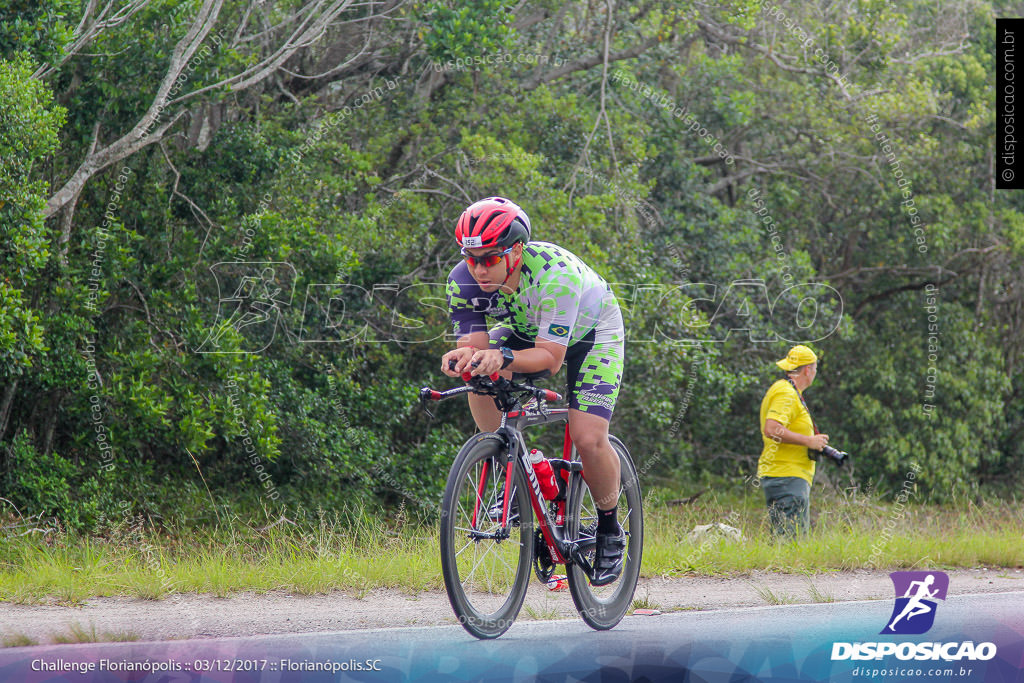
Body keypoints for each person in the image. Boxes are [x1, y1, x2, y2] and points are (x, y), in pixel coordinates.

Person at [440, 197, 627, 585]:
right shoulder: (462, 280)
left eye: (490, 258)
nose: (478, 268)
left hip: (593, 335)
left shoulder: (555, 277)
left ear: (517, 251)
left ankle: (610, 528)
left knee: (588, 438)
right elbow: (476, 345)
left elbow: (550, 359)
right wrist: (465, 356)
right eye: (471, 258)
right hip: (529, 330)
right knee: (478, 371)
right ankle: (506, 461)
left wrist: (503, 357)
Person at [757, 344, 829, 538]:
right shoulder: (786, 393)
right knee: (789, 543)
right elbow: (772, 428)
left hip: (788, 476)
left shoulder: (789, 392)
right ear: (808, 370)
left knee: (790, 541)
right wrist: (808, 441)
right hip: (786, 476)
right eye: (815, 369)